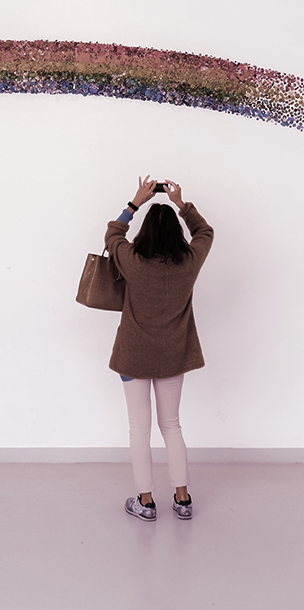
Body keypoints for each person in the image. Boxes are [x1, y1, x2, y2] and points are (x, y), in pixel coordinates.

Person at [104, 176, 213, 522]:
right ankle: (182, 499)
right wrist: (181, 204)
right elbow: (205, 232)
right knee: (172, 425)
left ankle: (146, 502)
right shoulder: (189, 261)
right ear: (177, 234)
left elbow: (112, 235)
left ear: (146, 233)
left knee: (139, 429)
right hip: (173, 355)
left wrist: (134, 203)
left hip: (133, 355)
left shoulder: (132, 260)